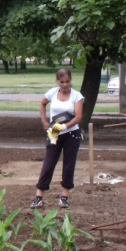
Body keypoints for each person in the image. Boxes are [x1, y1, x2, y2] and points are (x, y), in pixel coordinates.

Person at [31, 69, 85, 209]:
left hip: (71, 134)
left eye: (67, 81)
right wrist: (44, 121)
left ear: (70, 81)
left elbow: (78, 117)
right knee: (48, 163)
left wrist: (65, 126)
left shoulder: (77, 96)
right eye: (62, 82)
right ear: (57, 82)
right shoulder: (52, 93)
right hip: (54, 132)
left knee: (68, 165)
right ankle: (39, 196)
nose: (65, 85)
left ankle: (64, 196)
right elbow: (42, 104)